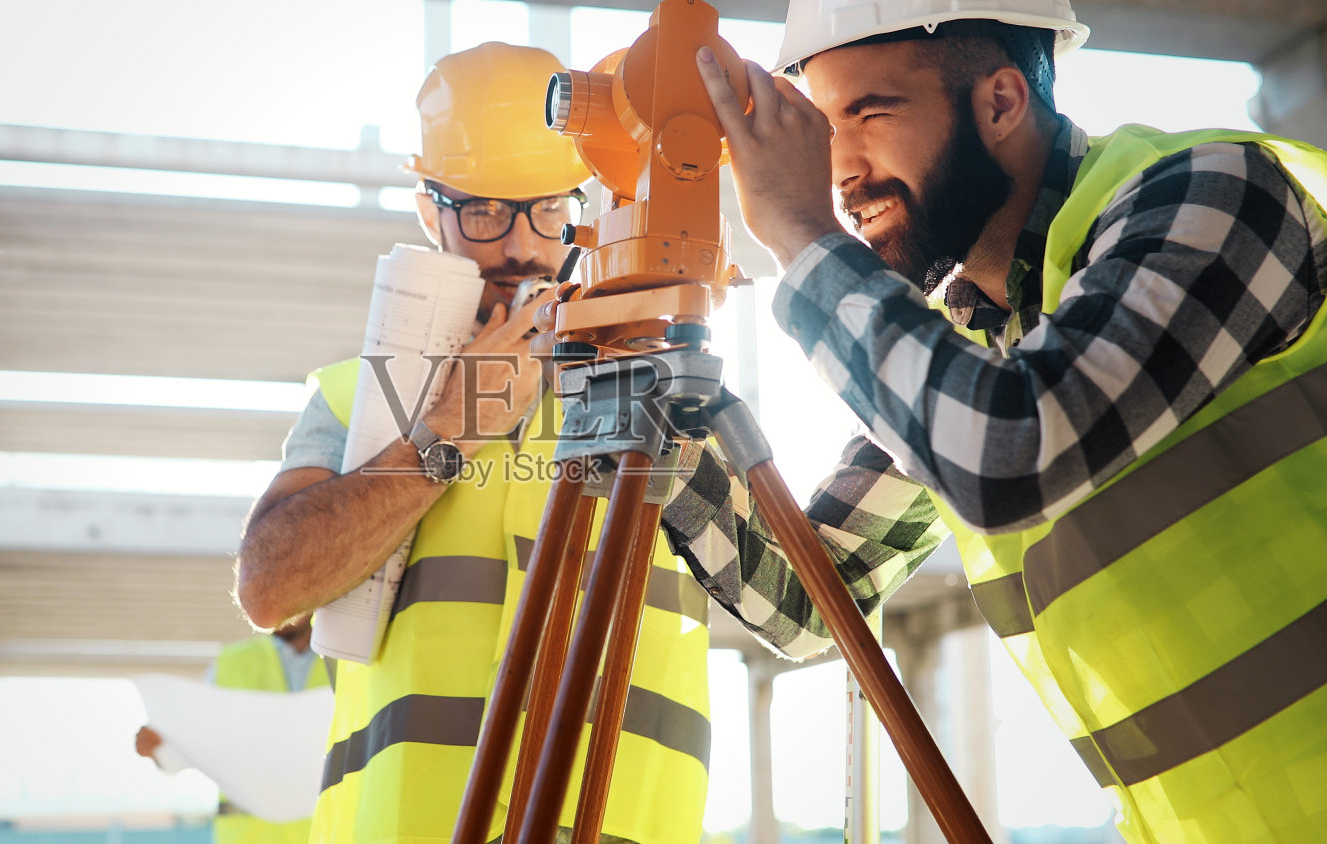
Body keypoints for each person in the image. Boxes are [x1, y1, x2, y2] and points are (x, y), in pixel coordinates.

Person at [641, 0, 1327, 841]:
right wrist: (645, 398)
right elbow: (803, 600)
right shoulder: (977, 342)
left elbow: (1016, 452)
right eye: (820, 131)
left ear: (1001, 102)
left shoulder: (1218, 194)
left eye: (869, 115)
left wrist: (803, 238)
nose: (840, 171)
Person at [233, 43, 712, 844]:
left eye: (550, 209)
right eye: (485, 211)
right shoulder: (359, 395)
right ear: (431, 211)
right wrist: (443, 436)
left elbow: (787, 597)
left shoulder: (658, 389)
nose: (521, 244)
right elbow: (268, 587)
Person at [136, 619, 328, 844]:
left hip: (329, 831)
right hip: (248, 835)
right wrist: (160, 749)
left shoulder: (349, 662)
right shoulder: (231, 661)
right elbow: (194, 736)